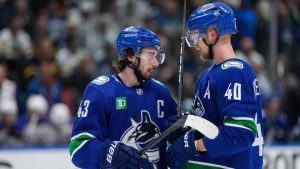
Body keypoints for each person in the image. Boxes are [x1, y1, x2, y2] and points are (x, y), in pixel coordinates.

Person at [166, 2, 264, 169]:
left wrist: (194, 145)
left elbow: (240, 134)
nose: (194, 43)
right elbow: (207, 122)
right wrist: (184, 128)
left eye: (196, 36)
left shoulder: (234, 72)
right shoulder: (210, 74)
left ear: (212, 35)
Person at [69, 26, 177, 169]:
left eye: (157, 56)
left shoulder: (161, 93)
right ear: (131, 56)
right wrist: (110, 154)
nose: (156, 63)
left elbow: (172, 145)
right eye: (150, 55)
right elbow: (78, 147)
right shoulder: (100, 91)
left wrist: (180, 136)